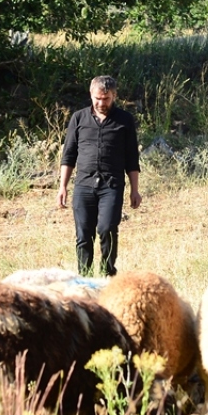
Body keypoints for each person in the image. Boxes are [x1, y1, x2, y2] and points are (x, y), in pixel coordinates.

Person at [57, 75, 141, 277]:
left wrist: (135, 190)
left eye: (106, 98)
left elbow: (132, 158)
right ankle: (84, 280)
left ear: (114, 96)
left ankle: (107, 276)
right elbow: (68, 155)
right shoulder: (78, 118)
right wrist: (62, 187)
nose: (101, 103)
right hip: (84, 185)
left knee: (107, 229)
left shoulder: (125, 120)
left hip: (111, 185)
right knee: (84, 235)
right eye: (97, 98)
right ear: (91, 94)